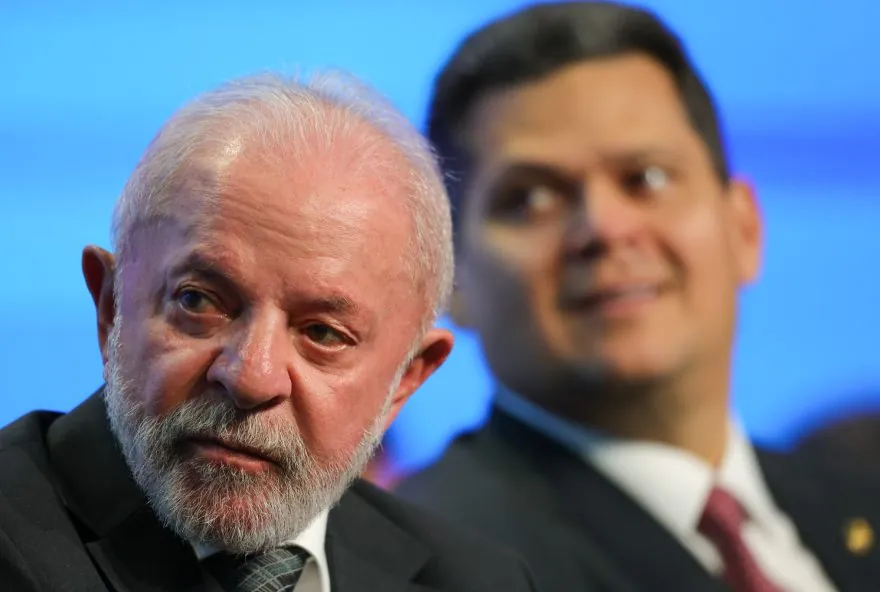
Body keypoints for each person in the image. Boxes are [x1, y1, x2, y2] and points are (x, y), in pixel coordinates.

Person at [395, 3, 880, 591]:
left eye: (647, 177)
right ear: (449, 280)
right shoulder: (423, 567)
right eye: (531, 198)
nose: (604, 227)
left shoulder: (860, 501)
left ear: (744, 230)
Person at [0, 71, 539, 592]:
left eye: (323, 333)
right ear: (111, 306)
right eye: (199, 301)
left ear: (405, 379)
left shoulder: (480, 581)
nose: (251, 378)